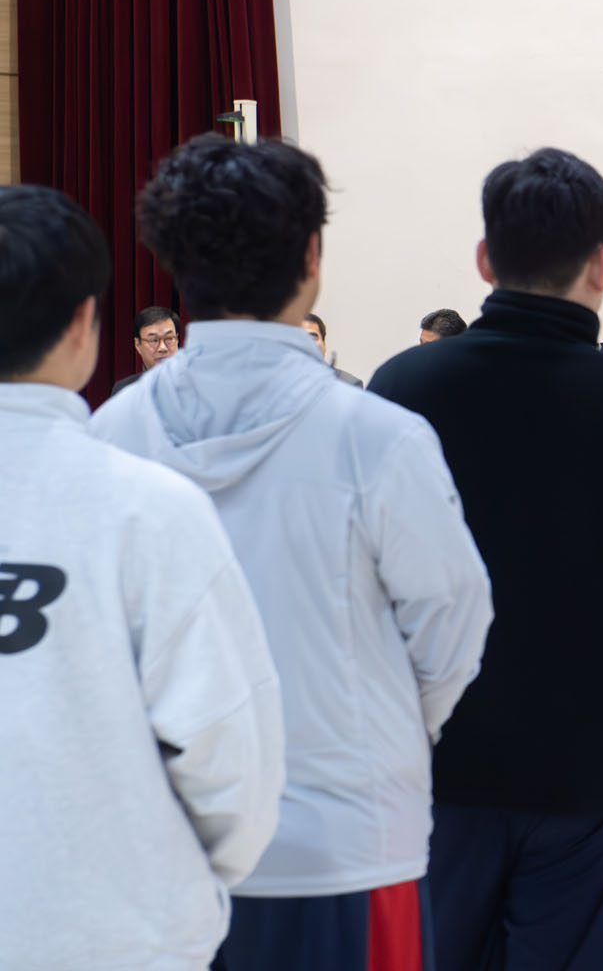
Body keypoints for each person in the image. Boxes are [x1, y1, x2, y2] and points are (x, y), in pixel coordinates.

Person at [92, 134, 494, 971]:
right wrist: (382, 729)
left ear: (174, 263)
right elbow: (454, 624)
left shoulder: (114, 435)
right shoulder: (380, 437)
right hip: (348, 844)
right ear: (312, 257)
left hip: (162, 847)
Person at [369, 147, 603, 970]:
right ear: (600, 264)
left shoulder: (402, 392)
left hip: (434, 777)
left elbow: (354, 587)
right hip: (598, 781)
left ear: (485, 259)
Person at [0, 185, 284, 969]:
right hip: (117, 932)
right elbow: (231, 758)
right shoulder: (151, 508)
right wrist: (179, 888)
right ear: (84, 323)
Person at [110, 304, 181, 395]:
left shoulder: (195, 383)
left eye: (169, 338)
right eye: (153, 340)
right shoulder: (124, 389)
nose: (162, 348)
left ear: (177, 340)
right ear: (138, 344)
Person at [301, 311, 364, 386]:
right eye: (299, 337)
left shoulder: (349, 383)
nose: (307, 343)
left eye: (312, 337)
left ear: (324, 345)